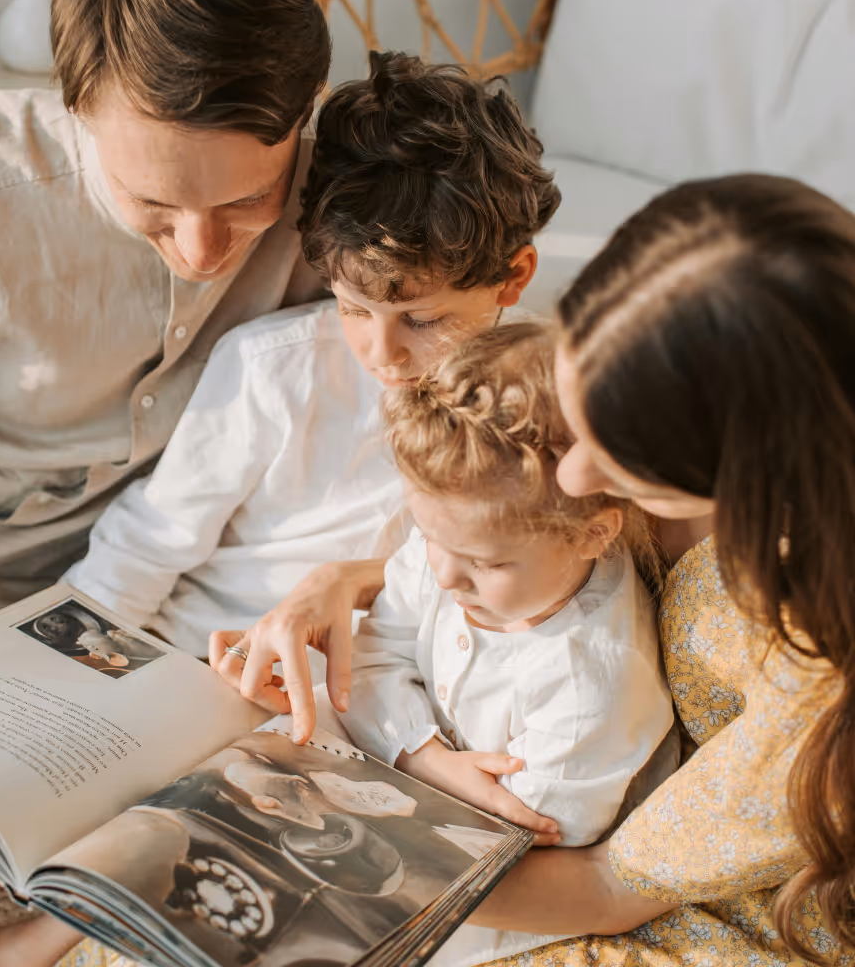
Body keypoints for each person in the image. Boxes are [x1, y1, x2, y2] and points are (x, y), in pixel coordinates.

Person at [0, 49, 559, 967]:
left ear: (514, 276)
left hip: (358, 694)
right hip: (204, 658)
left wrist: (356, 590)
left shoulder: (535, 400)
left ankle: (105, 906)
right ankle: (76, 904)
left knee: (332, 802)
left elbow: (511, 565)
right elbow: (144, 547)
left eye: (426, 321)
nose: (385, 352)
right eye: (355, 307)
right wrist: (47, 681)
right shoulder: (272, 370)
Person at [225, 174, 855, 965]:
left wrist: (324, 870)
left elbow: (608, 887)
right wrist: (346, 580)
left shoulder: (812, 671)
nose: (575, 474)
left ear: (750, 466)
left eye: (621, 451)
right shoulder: (633, 386)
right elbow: (505, 543)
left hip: (667, 879)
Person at [0, 0, 331, 962]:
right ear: (79, 113)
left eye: (247, 201)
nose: (203, 249)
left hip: (142, 633)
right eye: (152, 204)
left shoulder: (340, 201)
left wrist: (349, 578)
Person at [340, 321, 673, 964]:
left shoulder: (588, 682)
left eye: (484, 564)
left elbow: (525, 836)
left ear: (590, 536)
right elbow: (371, 657)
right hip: (421, 783)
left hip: (516, 891)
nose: (442, 573)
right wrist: (423, 757)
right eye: (428, 537)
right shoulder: (457, 538)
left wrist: (401, 752)